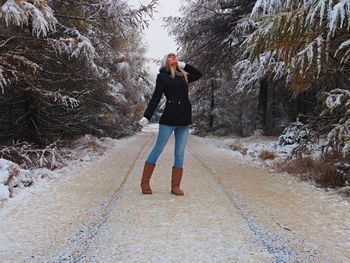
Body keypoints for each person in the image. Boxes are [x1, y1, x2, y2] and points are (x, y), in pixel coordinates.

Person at [138, 52, 202, 195]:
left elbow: (199, 74)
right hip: (169, 118)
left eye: (175, 57)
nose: (174, 59)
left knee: (179, 153)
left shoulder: (183, 75)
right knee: (158, 149)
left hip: (184, 118)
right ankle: (144, 183)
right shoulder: (163, 76)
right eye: (170, 57)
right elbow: (156, 97)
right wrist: (147, 116)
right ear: (165, 61)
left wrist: (184, 65)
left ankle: (175, 187)